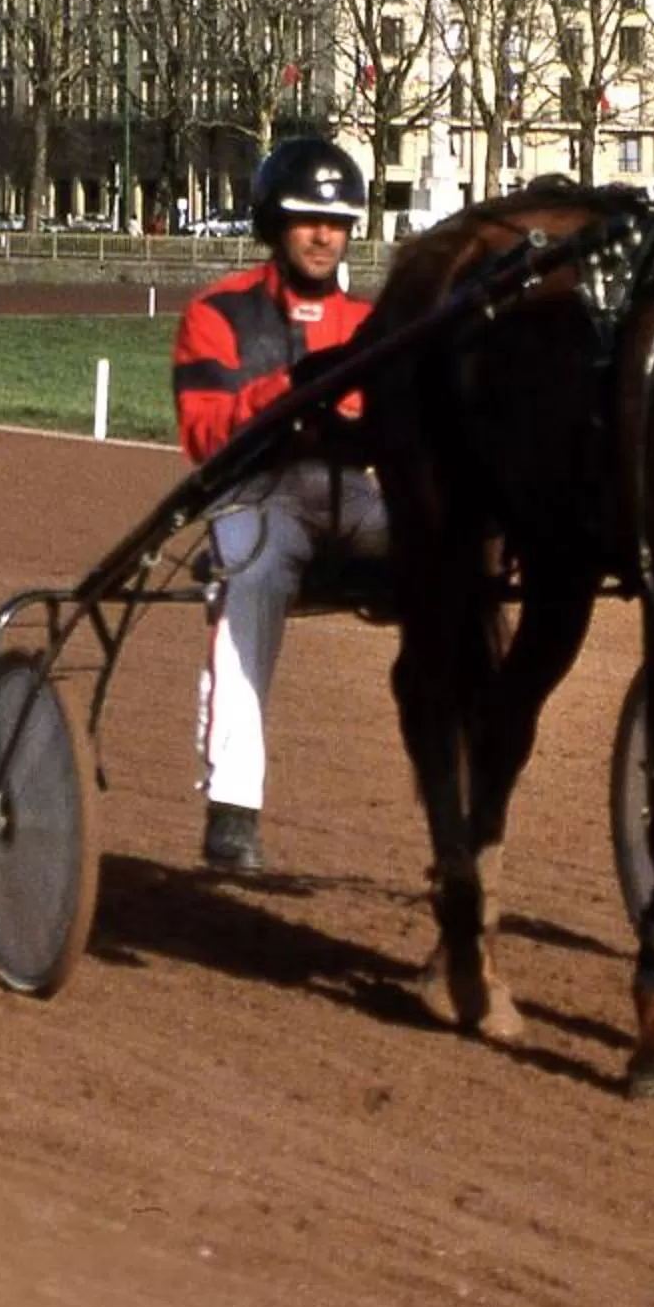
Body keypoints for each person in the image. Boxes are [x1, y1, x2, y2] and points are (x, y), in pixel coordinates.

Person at [172, 137, 387, 875]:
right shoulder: (216, 314)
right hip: (257, 492)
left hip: (350, 493)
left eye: (338, 221)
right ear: (273, 223)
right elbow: (203, 433)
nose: (325, 235)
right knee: (253, 577)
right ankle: (233, 806)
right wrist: (290, 391)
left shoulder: (373, 324)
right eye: (306, 219)